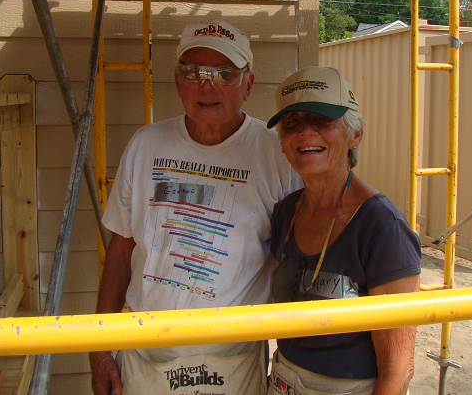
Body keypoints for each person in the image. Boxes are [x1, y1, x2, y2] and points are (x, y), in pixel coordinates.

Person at [89, 20, 301, 395]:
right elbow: (120, 253)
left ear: (248, 85)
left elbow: (299, 260)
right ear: (177, 81)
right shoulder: (145, 145)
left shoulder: (277, 156)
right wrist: (99, 349)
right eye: (194, 72)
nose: (207, 85)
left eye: (224, 73)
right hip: (144, 357)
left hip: (232, 363)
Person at [266, 66, 422, 395]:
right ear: (282, 142)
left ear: (355, 135)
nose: (306, 132)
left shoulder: (382, 228)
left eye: (323, 120)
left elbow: (398, 370)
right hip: (282, 379)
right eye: (292, 122)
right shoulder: (286, 213)